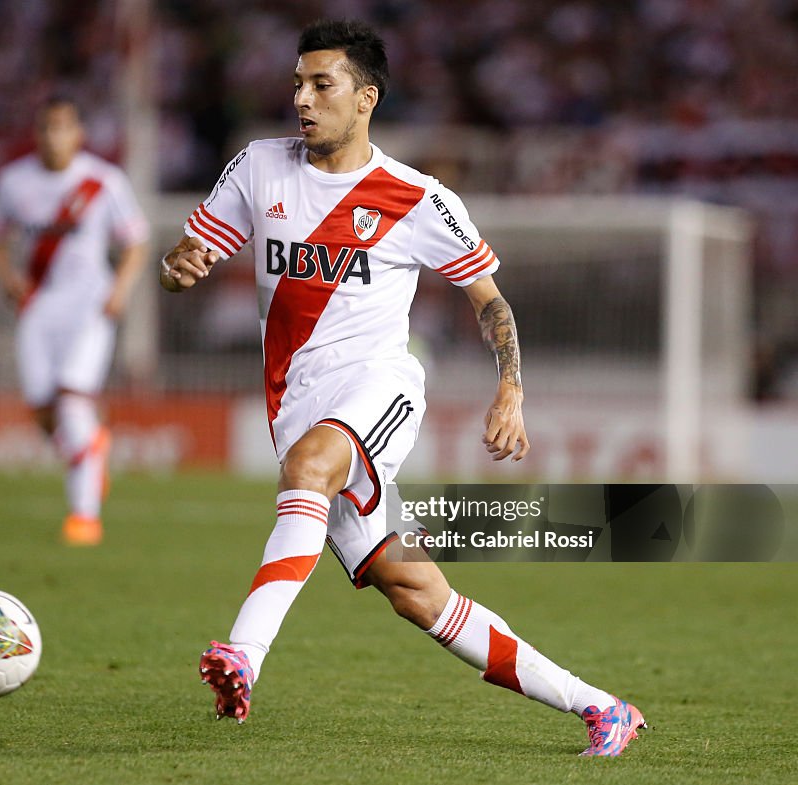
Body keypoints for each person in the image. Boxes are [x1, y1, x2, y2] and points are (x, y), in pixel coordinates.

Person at [160, 18, 645, 758]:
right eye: (297, 83)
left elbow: (491, 301)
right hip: (295, 402)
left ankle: (243, 656)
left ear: (366, 98)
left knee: (311, 468)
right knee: (417, 592)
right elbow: (191, 253)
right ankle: (602, 706)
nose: (303, 98)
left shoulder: (415, 197)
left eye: (322, 84)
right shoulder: (258, 167)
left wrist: (510, 388)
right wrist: (180, 265)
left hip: (379, 386)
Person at [0, 95, 150, 546]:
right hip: (39, 307)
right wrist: (8, 279)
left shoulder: (103, 181)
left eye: (62, 127)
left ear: (77, 134)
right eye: (45, 128)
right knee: (44, 413)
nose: (53, 136)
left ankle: (84, 517)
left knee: (73, 402)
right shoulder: (12, 181)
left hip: (90, 306)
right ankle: (92, 450)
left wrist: (119, 292)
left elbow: (135, 243)